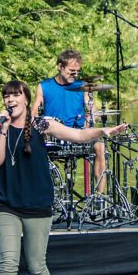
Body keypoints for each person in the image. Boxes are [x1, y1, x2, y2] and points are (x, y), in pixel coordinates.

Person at [0, 80, 126, 275]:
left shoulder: (42, 125)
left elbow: (77, 136)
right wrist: (1, 129)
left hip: (38, 205)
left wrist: (103, 131)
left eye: (16, 95)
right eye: (7, 96)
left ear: (26, 99)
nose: (11, 100)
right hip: (7, 205)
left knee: (37, 265)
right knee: (8, 264)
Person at [32, 49, 109, 190]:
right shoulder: (44, 86)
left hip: (79, 134)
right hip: (54, 136)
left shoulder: (82, 87)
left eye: (77, 71)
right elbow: (34, 115)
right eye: (71, 71)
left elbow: (93, 112)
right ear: (60, 66)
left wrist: (90, 119)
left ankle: (100, 196)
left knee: (100, 146)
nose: (75, 74)